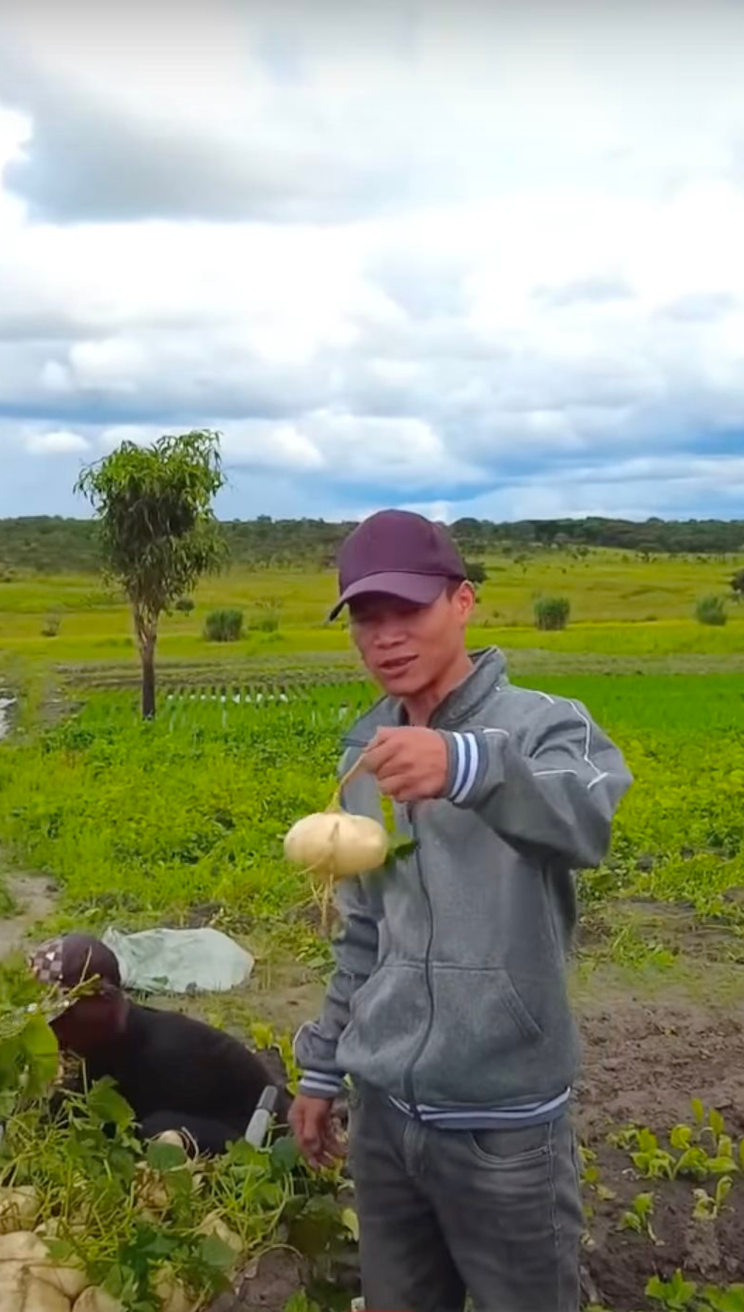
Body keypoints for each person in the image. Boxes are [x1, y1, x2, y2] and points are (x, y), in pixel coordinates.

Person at [290, 510, 632, 1312]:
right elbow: (364, 928)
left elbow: (586, 820)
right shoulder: (366, 751)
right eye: (366, 621)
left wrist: (467, 764)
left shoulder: (545, 726)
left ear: (463, 602)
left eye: (407, 611)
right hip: (384, 1123)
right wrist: (323, 1065)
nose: (386, 638)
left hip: (503, 1128)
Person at [30, 934, 291, 1155]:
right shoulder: (112, 1040)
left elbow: (121, 1124)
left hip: (252, 1126)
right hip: (207, 1110)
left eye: (63, 1018)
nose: (54, 1032)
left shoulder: (163, 1053)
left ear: (103, 1005)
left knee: (154, 1133)